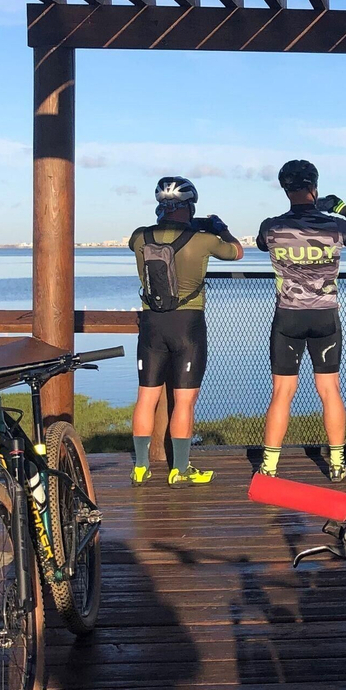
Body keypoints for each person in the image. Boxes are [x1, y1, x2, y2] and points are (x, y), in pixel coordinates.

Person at [255, 159, 346, 481]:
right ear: (314, 186)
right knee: (330, 389)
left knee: (281, 393)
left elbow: (259, 242)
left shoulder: (272, 226)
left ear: (284, 188)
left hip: (287, 317)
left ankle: (268, 468)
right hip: (325, 317)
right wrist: (342, 209)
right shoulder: (335, 226)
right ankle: (336, 464)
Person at [128, 176, 243, 487]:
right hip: (187, 325)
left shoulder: (139, 237)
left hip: (151, 323)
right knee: (184, 400)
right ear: (189, 206)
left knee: (145, 397)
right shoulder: (202, 240)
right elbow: (236, 252)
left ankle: (140, 466)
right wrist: (219, 228)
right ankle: (179, 468)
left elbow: (145, 239)